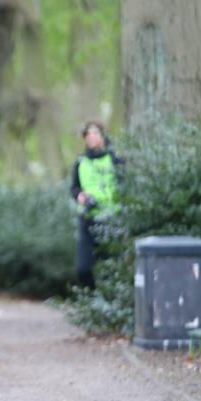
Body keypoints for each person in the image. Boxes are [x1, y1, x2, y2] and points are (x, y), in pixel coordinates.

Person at [69, 120, 121, 289]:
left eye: (95, 133)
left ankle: (108, 306)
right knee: (83, 269)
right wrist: (80, 196)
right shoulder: (80, 162)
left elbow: (124, 185)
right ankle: (92, 303)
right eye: (87, 134)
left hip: (111, 219)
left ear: (103, 136)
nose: (91, 137)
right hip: (87, 220)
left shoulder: (115, 160)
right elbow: (74, 188)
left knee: (110, 270)